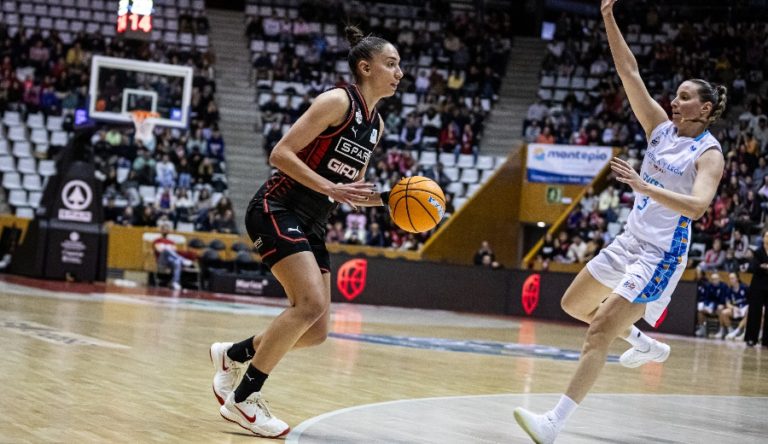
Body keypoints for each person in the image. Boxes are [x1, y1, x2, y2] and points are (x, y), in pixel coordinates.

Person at [513, 1, 727, 442]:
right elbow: (629, 73)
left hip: (662, 254)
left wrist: (644, 187)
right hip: (630, 240)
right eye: (676, 94)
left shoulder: (709, 154)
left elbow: (699, 207)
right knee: (574, 304)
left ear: (705, 110)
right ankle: (644, 343)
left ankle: (553, 423)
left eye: (685, 97)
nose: (674, 99)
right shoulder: (661, 129)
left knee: (599, 331)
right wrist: (608, 16)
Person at [209, 26, 402, 437]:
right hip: (276, 207)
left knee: (316, 331)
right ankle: (243, 399)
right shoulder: (337, 101)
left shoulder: (375, 125)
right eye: (391, 63)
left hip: (313, 220)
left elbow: (354, 190)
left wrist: (394, 200)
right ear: (365, 68)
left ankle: (234, 354)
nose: (399, 72)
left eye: (399, 64)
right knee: (310, 303)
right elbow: (280, 153)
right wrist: (330, 187)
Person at [152, 221, 194, 291]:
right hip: (162, 261)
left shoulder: (171, 242)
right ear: (161, 230)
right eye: (164, 229)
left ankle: (174, 282)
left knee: (177, 262)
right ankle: (183, 260)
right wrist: (167, 249)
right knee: (166, 250)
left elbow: (174, 251)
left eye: (167, 229)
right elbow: (159, 250)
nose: (166, 231)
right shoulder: (157, 241)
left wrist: (167, 249)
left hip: (170, 261)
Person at [745, 231, 768, 347]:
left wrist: (763, 266)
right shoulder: (758, 252)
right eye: (767, 236)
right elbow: (753, 267)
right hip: (758, 285)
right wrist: (762, 267)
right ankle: (751, 338)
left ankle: (766, 341)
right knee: (754, 312)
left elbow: (761, 266)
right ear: (763, 238)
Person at [695, 272, 728, 337]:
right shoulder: (709, 286)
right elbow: (706, 298)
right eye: (713, 279)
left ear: (719, 279)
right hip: (711, 306)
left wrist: (719, 305)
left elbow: (724, 299)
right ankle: (702, 329)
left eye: (716, 279)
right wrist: (706, 304)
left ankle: (721, 331)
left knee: (720, 309)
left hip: (719, 306)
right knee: (700, 311)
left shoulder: (724, 286)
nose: (714, 281)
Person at [722, 272, 749, 340]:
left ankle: (741, 333)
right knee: (724, 312)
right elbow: (727, 304)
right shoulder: (729, 290)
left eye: (732, 278)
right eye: (730, 278)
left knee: (749, 311)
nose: (731, 280)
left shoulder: (745, 287)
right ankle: (731, 331)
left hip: (745, 308)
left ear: (737, 278)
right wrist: (733, 307)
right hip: (736, 309)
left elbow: (752, 300)